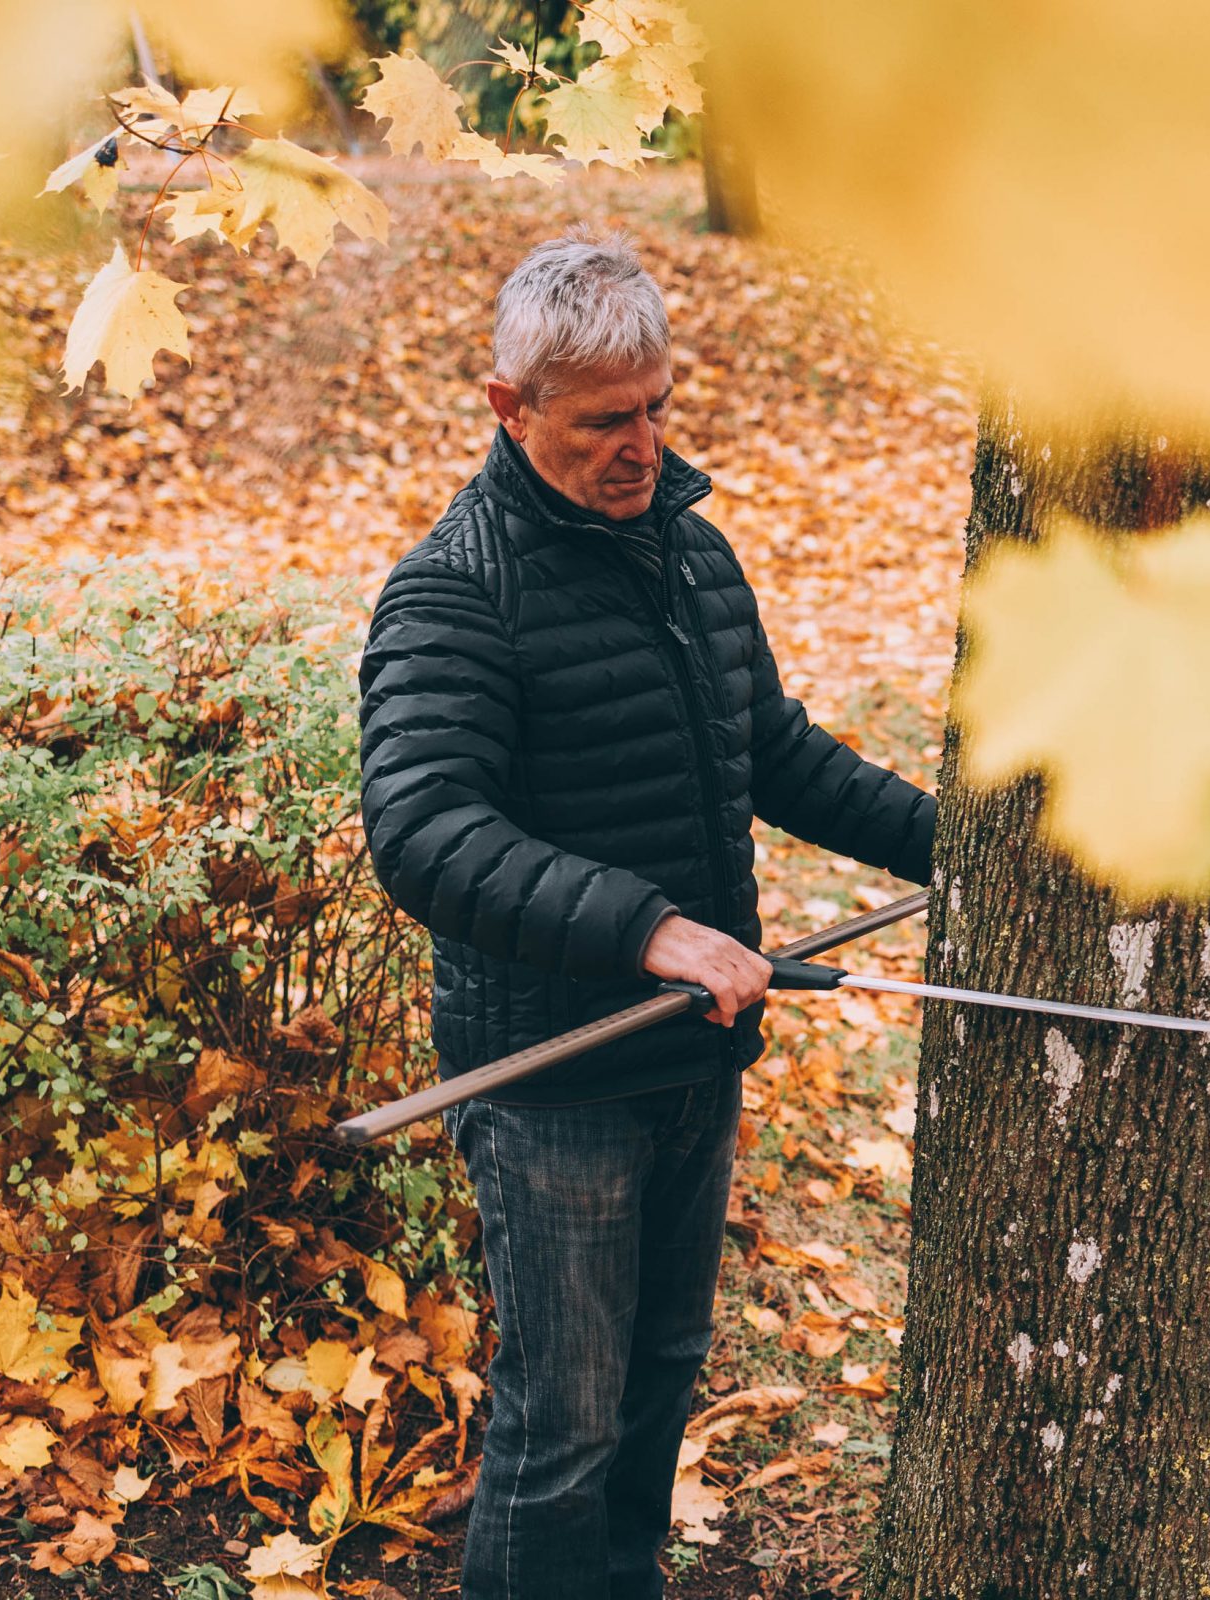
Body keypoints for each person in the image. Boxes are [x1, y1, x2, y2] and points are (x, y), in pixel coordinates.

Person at [356, 231, 935, 1598]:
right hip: (558, 1078)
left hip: (692, 1059)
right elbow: (423, 832)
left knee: (660, 1382)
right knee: (560, 1422)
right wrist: (647, 928)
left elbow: (775, 753)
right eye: (606, 420)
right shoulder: (454, 589)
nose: (643, 443)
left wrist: (962, 845)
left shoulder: (693, 553)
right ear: (511, 406)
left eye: (659, 406)